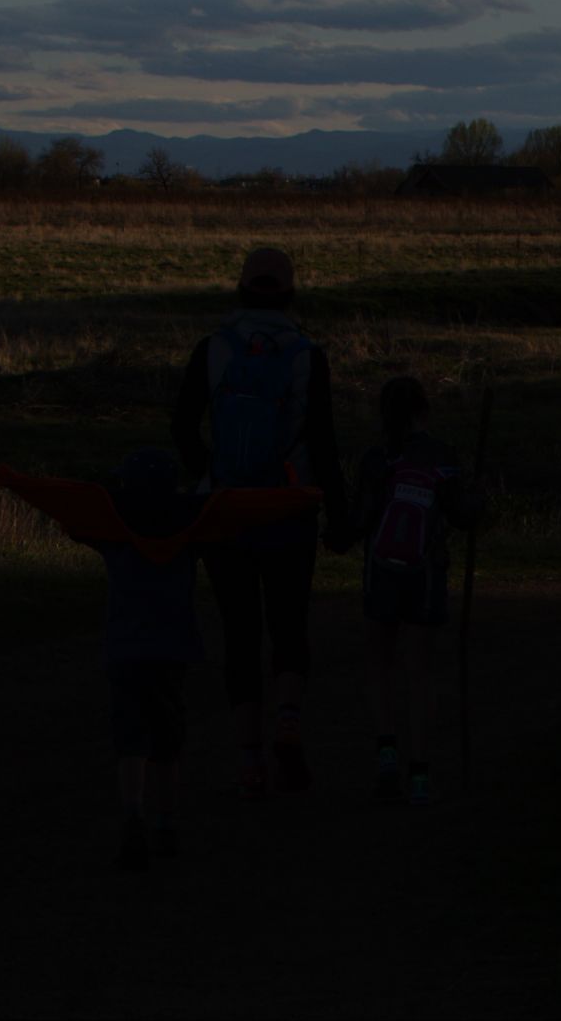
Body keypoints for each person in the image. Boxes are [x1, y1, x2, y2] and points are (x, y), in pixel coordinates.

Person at [0, 451, 320, 871]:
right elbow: (240, 510)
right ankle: (165, 824)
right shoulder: (192, 527)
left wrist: (13, 480)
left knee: (131, 741)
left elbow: (67, 505)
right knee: (167, 743)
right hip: (171, 653)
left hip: (125, 652)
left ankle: (133, 815)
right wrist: (303, 496)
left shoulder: (110, 528)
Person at [170, 246, 350, 799]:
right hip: (287, 509)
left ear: (241, 288)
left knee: (241, 636)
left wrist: (211, 477)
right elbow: (322, 439)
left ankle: (250, 762)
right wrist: (338, 512)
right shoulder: (306, 355)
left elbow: (182, 427)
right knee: (289, 626)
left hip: (226, 513)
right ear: (291, 292)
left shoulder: (213, 349)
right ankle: (288, 721)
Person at [347, 375, 479, 807]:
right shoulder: (442, 457)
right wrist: (475, 505)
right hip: (425, 576)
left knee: (379, 664)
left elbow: (363, 520)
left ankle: (387, 754)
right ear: (424, 410)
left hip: (381, 573)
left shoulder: (375, 459)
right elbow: (461, 515)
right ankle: (420, 775)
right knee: (420, 673)